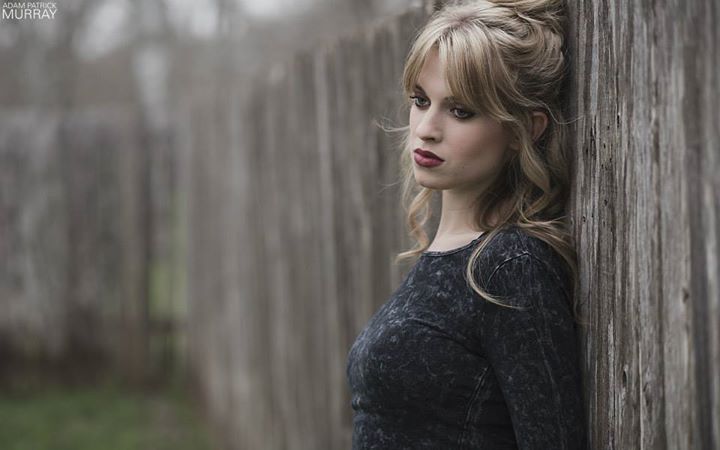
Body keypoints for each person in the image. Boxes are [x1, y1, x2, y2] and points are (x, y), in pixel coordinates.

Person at [345, 0, 588, 448]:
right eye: (421, 101)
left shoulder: (509, 267)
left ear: (524, 129)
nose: (426, 128)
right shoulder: (449, 257)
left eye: (460, 111)